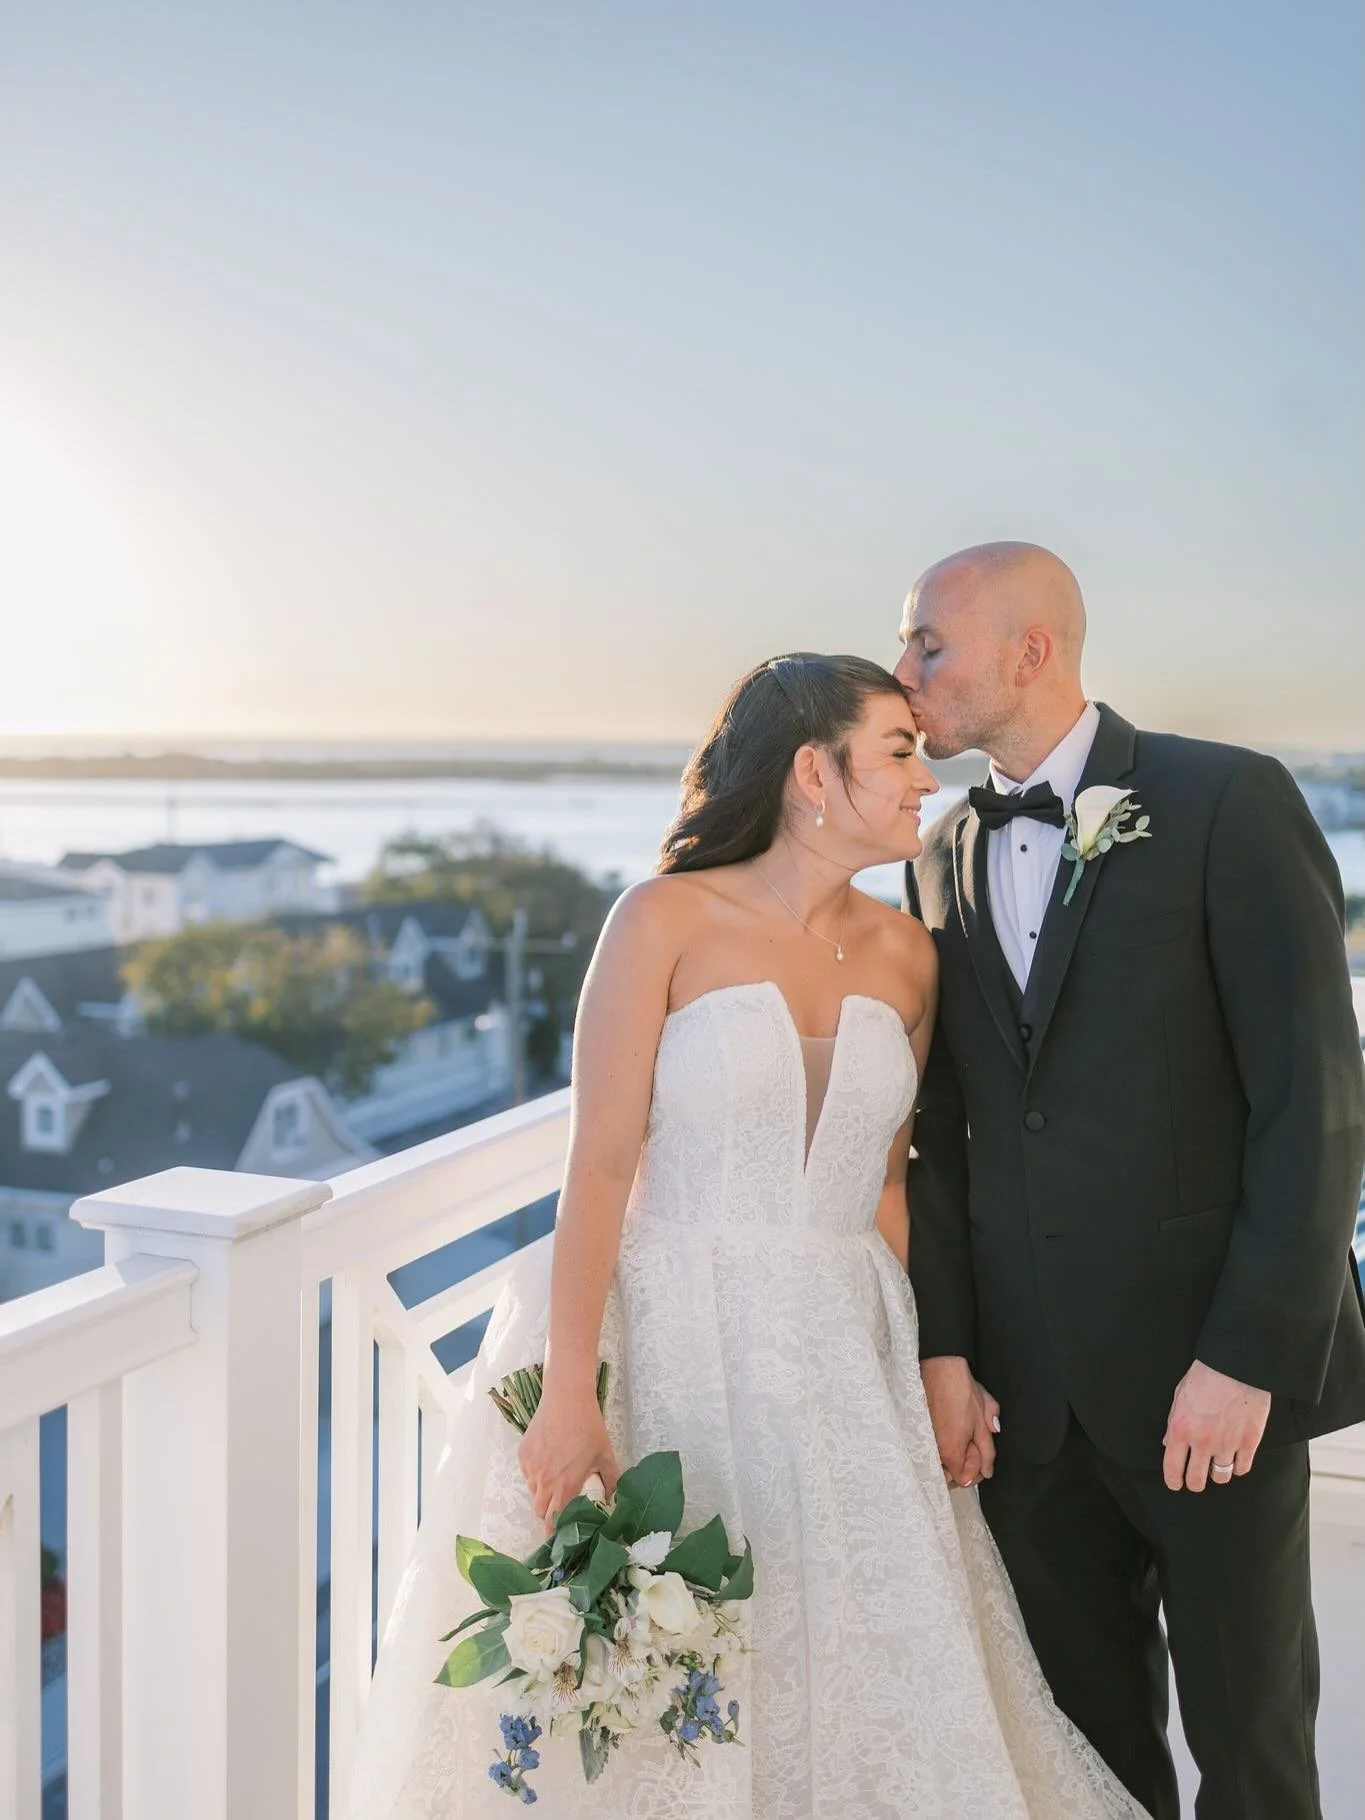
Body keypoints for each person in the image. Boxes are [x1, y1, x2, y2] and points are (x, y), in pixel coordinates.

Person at [347, 652, 1146, 1819]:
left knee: (869, 1665)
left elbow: (888, 1187)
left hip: (849, 1352)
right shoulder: (663, 917)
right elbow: (600, 1166)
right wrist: (571, 1389)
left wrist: (937, 1357)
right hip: (677, 1335)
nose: (927, 778)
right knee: (688, 1681)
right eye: (897, 749)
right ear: (812, 772)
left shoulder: (911, 954)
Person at [897, 542, 1365, 1820]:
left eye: (929, 642)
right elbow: (937, 1126)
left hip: (1207, 1385)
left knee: (1254, 1747)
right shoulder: (937, 847)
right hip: (1025, 1407)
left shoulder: (1229, 801)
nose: (904, 674)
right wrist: (946, 1349)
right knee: (1085, 1758)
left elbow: (1314, 1104)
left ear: (1031, 650)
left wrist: (1251, 1357)